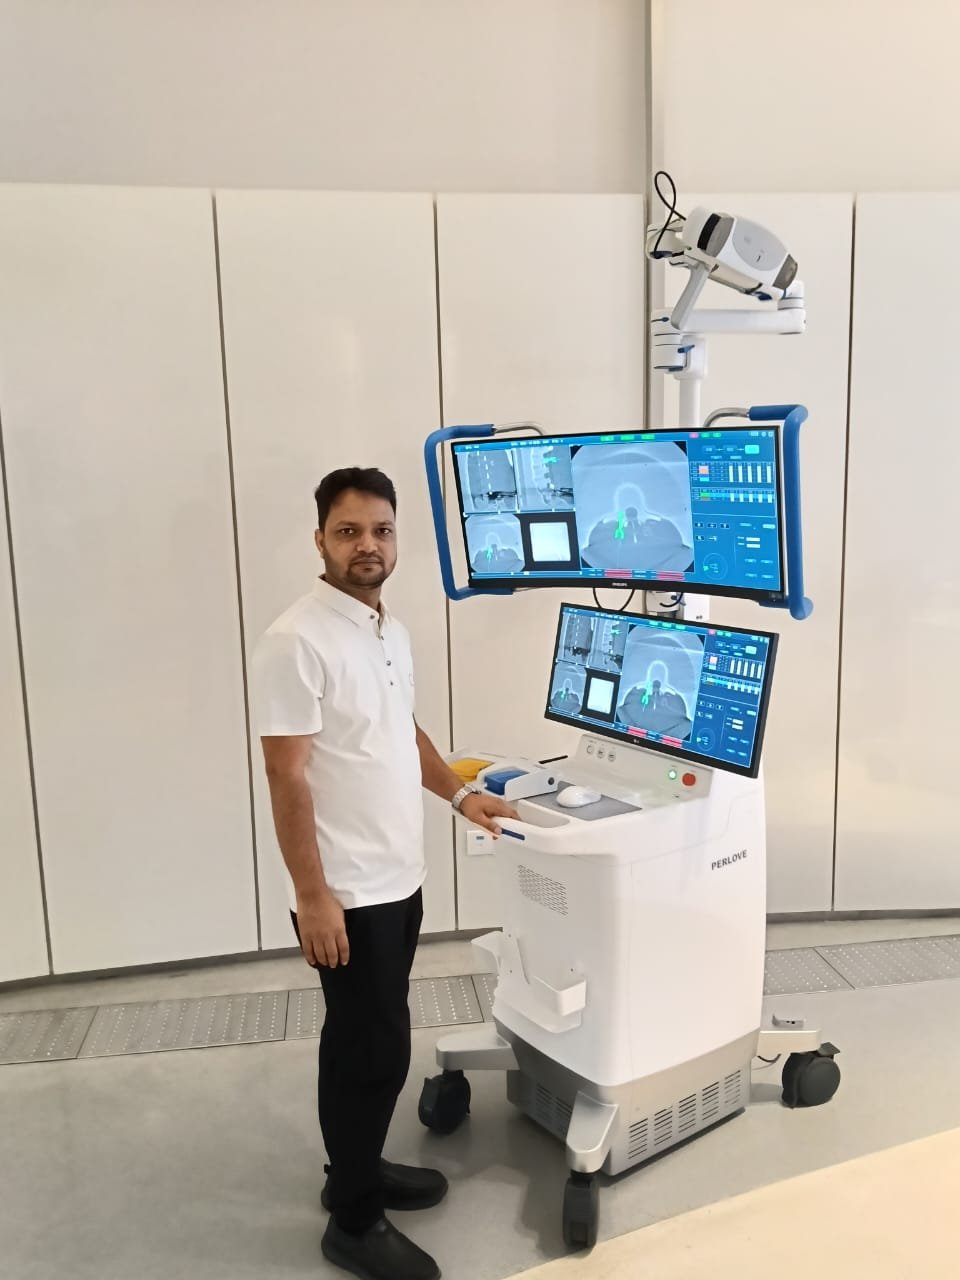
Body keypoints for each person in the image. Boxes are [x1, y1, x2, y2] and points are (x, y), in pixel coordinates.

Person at [251, 467, 516, 1280]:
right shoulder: (297, 640)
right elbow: (287, 775)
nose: (367, 545)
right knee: (371, 1053)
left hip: (399, 876)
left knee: (369, 1041)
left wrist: (461, 795)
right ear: (320, 540)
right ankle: (355, 1222)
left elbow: (402, 730)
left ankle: (353, 1174)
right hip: (347, 893)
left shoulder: (386, 630)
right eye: (348, 531)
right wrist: (312, 896)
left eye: (381, 530)